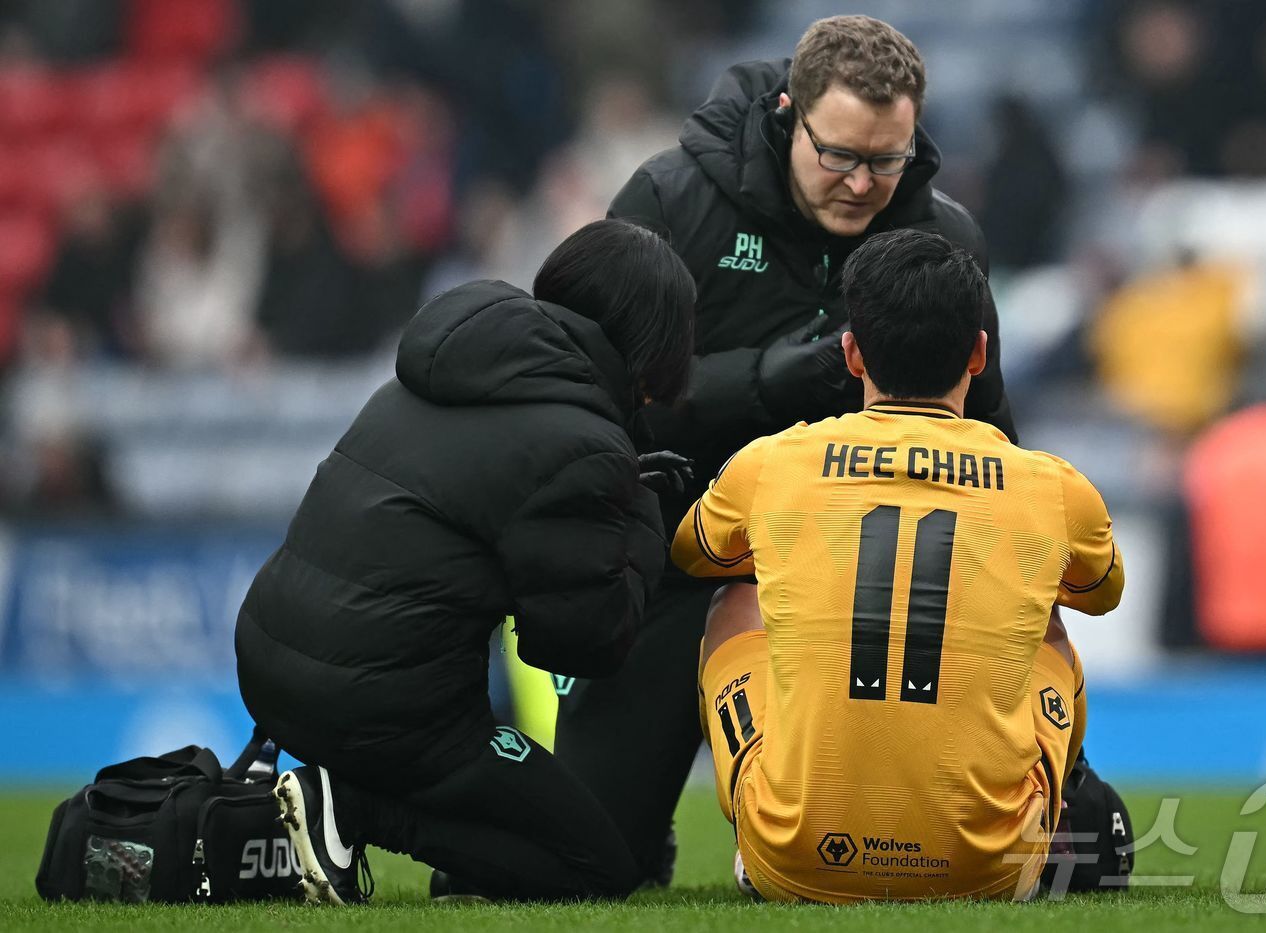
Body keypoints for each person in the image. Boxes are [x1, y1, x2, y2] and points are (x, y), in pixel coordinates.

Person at [553, 14, 1018, 885]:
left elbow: (989, 424)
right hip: (673, 566)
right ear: (786, 113)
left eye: (888, 159)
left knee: (1006, 847)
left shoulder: (943, 238)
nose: (863, 183)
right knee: (580, 860)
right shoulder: (667, 203)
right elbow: (593, 397)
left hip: (865, 592)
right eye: (839, 154)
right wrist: (765, 381)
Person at [234, 219, 695, 904]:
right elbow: (582, 644)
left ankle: (372, 823)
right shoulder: (582, 442)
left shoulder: (445, 365)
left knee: (523, 820)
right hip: (382, 709)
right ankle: (350, 808)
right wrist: (642, 518)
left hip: (271, 666)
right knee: (598, 865)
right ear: (655, 342)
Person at [672, 229, 1125, 902]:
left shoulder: (771, 463)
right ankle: (1046, 815)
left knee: (734, 600)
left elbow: (693, 554)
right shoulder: (1054, 486)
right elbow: (1102, 592)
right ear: (978, 352)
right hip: (988, 869)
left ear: (852, 354)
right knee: (1049, 622)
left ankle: (765, 826)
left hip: (795, 857)